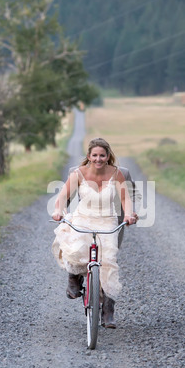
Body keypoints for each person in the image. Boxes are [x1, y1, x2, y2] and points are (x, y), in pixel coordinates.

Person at [51, 138, 137, 329]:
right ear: (89, 156)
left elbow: (126, 199)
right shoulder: (78, 173)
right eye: (95, 155)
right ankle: (73, 278)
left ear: (108, 156)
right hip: (83, 218)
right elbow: (62, 197)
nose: (98, 159)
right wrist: (59, 211)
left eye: (102, 155)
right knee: (75, 250)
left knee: (108, 261)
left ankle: (108, 310)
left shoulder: (117, 174)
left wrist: (129, 214)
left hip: (107, 219)